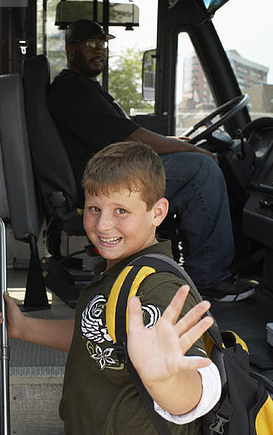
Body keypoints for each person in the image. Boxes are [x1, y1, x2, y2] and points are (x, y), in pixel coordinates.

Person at [3, 141, 222, 435]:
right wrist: (23, 328)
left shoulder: (158, 289)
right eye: (94, 209)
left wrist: (166, 381)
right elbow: (95, 333)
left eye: (121, 211)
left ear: (157, 213)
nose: (102, 225)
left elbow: (201, 387)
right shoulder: (120, 275)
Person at [47, 19, 255, 302]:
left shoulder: (82, 87)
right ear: (71, 49)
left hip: (111, 171)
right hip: (107, 181)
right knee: (201, 170)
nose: (99, 51)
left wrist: (175, 143)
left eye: (102, 45)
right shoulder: (73, 89)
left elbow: (123, 132)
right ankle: (209, 277)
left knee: (193, 159)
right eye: (90, 44)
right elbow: (128, 137)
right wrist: (191, 150)